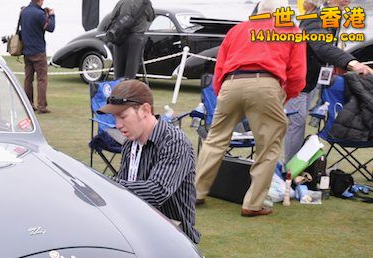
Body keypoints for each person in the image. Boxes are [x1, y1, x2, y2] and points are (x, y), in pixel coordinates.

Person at [194, 0, 305, 217]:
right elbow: (298, 73)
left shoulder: (237, 29)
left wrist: (221, 90)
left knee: (215, 140)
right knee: (268, 147)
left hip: (230, 83)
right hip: (266, 84)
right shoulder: (291, 30)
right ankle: (253, 203)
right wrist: (285, 95)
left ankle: (196, 192)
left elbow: (220, 66)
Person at [97, 79, 200, 243]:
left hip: (176, 238)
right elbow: (125, 184)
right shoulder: (130, 143)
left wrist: (104, 184)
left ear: (144, 110)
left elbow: (157, 191)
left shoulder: (175, 142)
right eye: (115, 118)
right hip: (140, 230)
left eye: (123, 116)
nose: (117, 125)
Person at [282, 0, 373, 163]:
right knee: (296, 124)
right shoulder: (314, 17)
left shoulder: (334, 18)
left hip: (311, 80)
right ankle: (290, 171)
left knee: (298, 122)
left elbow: (328, 49)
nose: (346, 2)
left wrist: (335, 66)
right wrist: (351, 63)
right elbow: (322, 47)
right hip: (296, 80)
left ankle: (296, 168)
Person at [101, 0, 154, 80]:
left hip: (121, 37)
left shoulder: (122, 2)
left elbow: (112, 17)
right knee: (131, 71)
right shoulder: (145, 3)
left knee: (118, 70)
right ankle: (128, 88)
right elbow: (151, 17)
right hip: (136, 38)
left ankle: (118, 88)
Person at [19, 0, 55, 113]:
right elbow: (50, 28)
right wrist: (52, 16)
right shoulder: (39, 14)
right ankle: (41, 106)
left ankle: (28, 104)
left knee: (28, 79)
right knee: (41, 79)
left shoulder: (24, 11)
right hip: (38, 51)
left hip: (27, 50)